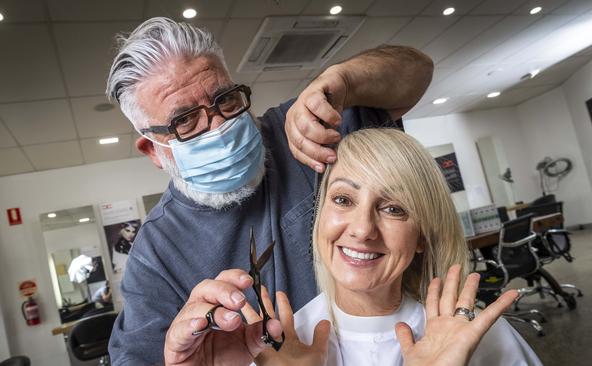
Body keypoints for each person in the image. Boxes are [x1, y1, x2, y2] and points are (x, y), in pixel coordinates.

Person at [105, 17, 433, 365]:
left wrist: (344, 80)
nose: (219, 125)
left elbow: (417, 71)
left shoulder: (307, 133)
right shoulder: (156, 253)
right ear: (153, 150)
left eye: (225, 99)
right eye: (184, 120)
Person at [244, 129, 541, 366]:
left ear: (423, 235)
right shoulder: (281, 349)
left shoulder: (475, 336)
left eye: (394, 209)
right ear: (320, 216)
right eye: (343, 200)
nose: (362, 230)